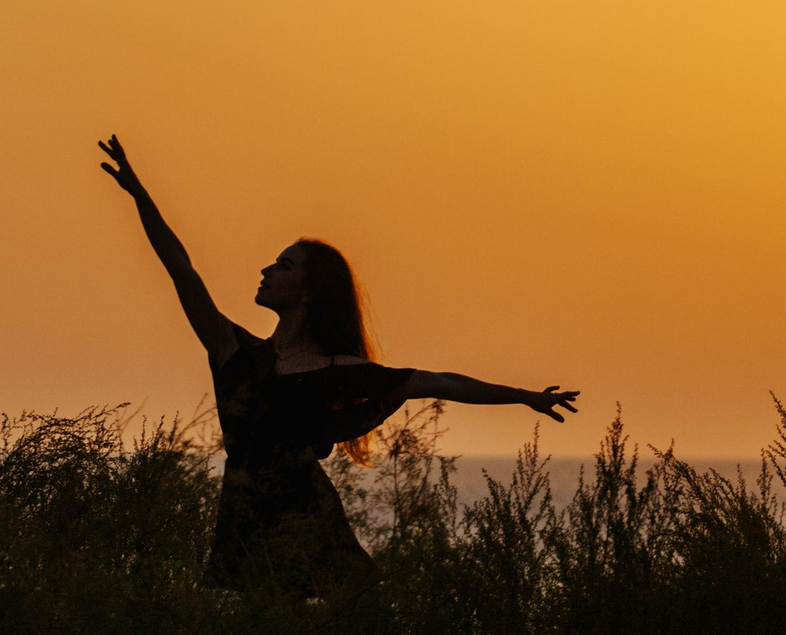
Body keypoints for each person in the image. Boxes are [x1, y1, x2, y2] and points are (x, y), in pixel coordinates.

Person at [100, 135, 579, 597]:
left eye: (284, 266)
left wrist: (524, 397)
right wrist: (141, 196)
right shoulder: (236, 354)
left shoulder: (341, 372)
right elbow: (182, 270)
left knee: (339, 630)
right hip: (246, 517)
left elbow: (440, 382)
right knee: (266, 633)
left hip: (310, 522)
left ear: (310, 292)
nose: (266, 270)